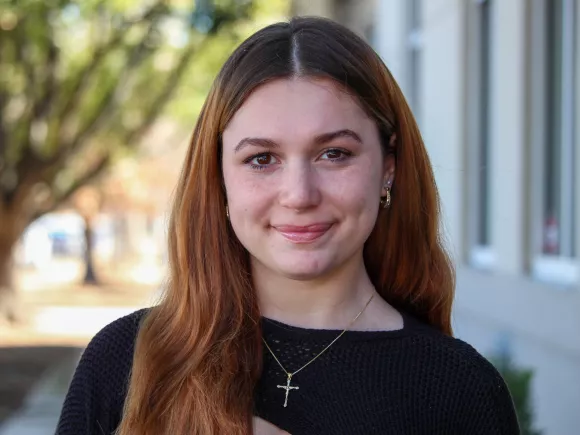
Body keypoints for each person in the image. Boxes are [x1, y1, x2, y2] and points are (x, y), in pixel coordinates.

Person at [56, 16, 520, 435]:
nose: (299, 194)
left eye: (334, 153)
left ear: (388, 166)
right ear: (219, 178)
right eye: (261, 159)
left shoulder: (460, 391)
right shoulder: (127, 363)